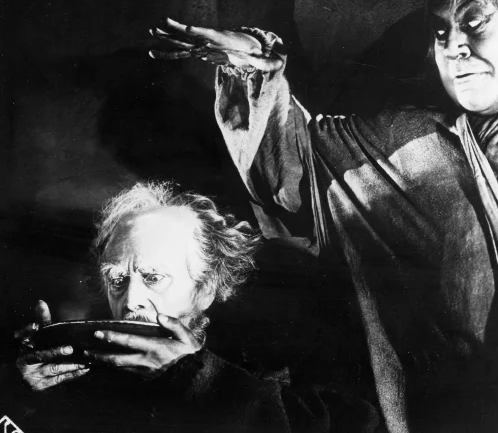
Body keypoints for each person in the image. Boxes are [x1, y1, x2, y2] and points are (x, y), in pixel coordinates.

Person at [149, 0, 498, 432]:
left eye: (474, 22)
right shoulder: (411, 150)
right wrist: (254, 67)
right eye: (440, 31)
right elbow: (292, 170)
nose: (453, 46)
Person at [5, 182, 380, 433]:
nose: (130, 300)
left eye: (153, 277)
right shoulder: (83, 376)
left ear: (206, 289)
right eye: (117, 279)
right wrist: (18, 398)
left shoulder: (274, 370)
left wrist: (197, 379)